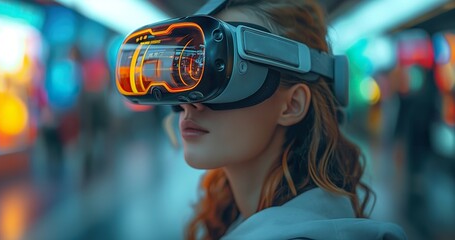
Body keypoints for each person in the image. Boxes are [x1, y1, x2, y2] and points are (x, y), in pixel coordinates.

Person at [172, 1, 407, 239]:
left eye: (224, 70)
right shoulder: (233, 216)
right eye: (189, 73)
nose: (190, 102)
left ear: (292, 105)